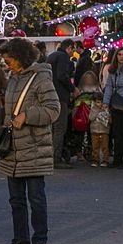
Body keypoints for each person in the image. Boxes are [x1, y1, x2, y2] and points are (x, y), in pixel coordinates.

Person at [0, 38, 60, 244]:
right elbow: (11, 111)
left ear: (20, 58)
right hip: (13, 151)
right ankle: (20, 239)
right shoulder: (13, 79)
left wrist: (28, 116)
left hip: (34, 148)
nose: (6, 63)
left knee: (36, 199)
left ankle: (40, 241)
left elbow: (53, 109)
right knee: (16, 200)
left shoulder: (41, 78)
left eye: (8, 59)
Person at [45, 39, 76, 169]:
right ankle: (56, 157)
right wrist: (72, 88)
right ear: (69, 47)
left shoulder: (51, 56)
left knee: (52, 128)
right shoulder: (63, 57)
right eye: (73, 49)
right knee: (60, 127)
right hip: (60, 96)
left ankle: (49, 155)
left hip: (50, 95)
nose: (73, 53)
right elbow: (62, 75)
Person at [89, 95, 110, 167]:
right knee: (95, 147)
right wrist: (97, 111)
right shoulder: (93, 109)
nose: (99, 104)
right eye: (97, 102)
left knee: (105, 147)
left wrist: (105, 111)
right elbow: (91, 118)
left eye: (101, 102)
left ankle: (105, 160)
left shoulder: (106, 109)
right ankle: (95, 160)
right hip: (94, 131)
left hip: (104, 131)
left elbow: (109, 119)